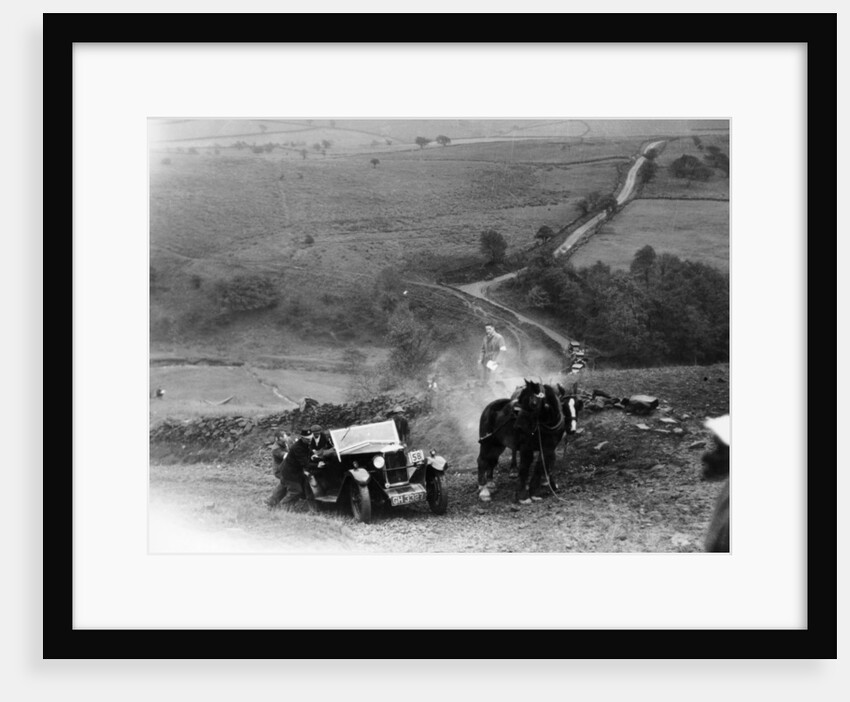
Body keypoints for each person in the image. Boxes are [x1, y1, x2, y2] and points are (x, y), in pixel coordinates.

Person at [266, 428, 313, 509]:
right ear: (279, 438)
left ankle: (271, 501)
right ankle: (284, 505)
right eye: (285, 436)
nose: (287, 437)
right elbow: (286, 456)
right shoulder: (276, 448)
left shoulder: (285, 443)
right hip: (280, 470)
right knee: (293, 486)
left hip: (286, 468)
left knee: (284, 484)